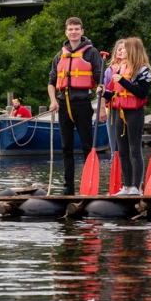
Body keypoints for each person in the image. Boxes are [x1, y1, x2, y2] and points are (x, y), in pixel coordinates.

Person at [48, 17, 103, 195]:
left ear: (82, 31)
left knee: (87, 146)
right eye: (70, 29)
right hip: (63, 104)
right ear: (66, 32)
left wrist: (101, 102)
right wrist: (53, 101)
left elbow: (99, 79)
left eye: (77, 29)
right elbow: (51, 82)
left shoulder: (91, 52)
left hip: (82, 104)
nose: (73, 32)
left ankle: (89, 186)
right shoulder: (59, 55)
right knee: (66, 149)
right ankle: (68, 188)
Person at [100, 37, 151, 195]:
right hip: (119, 112)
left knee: (135, 150)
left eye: (126, 48)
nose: (122, 51)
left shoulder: (143, 70)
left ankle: (137, 187)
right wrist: (105, 93)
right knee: (121, 151)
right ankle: (127, 186)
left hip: (134, 113)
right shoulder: (119, 68)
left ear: (133, 50)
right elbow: (115, 93)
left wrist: (123, 81)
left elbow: (141, 93)